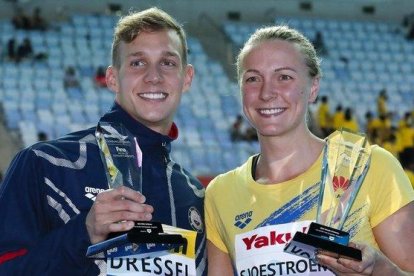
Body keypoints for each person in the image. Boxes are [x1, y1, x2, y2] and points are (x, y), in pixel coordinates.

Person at [0, 7, 206, 275]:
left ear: (186, 78)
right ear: (112, 78)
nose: (153, 76)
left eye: (167, 63)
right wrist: (85, 233)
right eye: (137, 62)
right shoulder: (46, 166)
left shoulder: (193, 194)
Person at [205, 25, 414, 275]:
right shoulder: (221, 193)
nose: (267, 92)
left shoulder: (370, 167)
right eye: (253, 78)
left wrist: (378, 269)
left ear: (313, 87)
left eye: (284, 77)